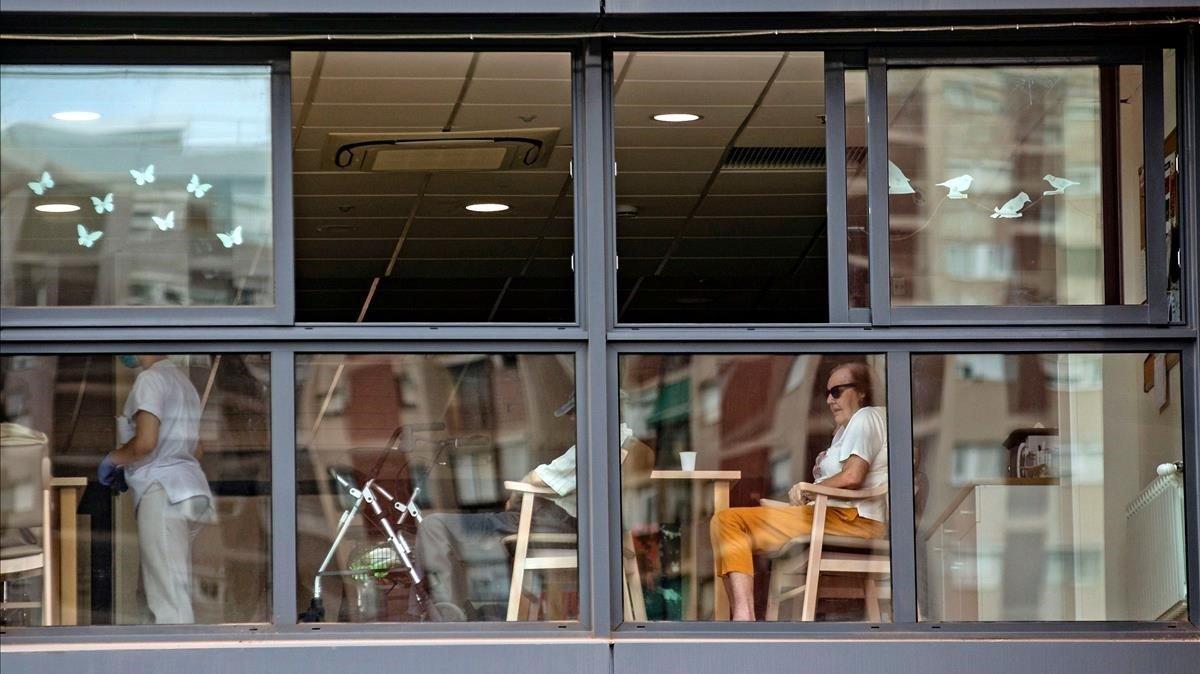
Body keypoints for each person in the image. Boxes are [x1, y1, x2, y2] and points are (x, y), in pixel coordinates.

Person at [416, 393, 643, 619]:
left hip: (550, 523)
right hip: (572, 525)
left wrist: (514, 497)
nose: (572, 419)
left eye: (575, 413)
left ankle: (444, 614)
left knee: (433, 525)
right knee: (454, 532)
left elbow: (536, 479)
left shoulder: (597, 444)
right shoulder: (629, 444)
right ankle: (456, 608)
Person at [709, 362, 888, 621]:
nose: (829, 400)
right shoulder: (845, 430)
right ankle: (744, 616)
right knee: (730, 525)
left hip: (850, 520)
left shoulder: (866, 416)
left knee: (729, 521)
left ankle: (743, 618)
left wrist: (810, 490)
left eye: (837, 391)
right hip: (831, 518)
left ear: (861, 392)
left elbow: (852, 476)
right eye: (827, 393)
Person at [97, 354, 214, 624]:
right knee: (169, 588)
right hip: (190, 491)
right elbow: (196, 448)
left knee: (169, 602)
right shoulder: (183, 383)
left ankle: (178, 664)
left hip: (163, 493)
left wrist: (114, 459)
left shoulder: (150, 379)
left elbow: (146, 442)